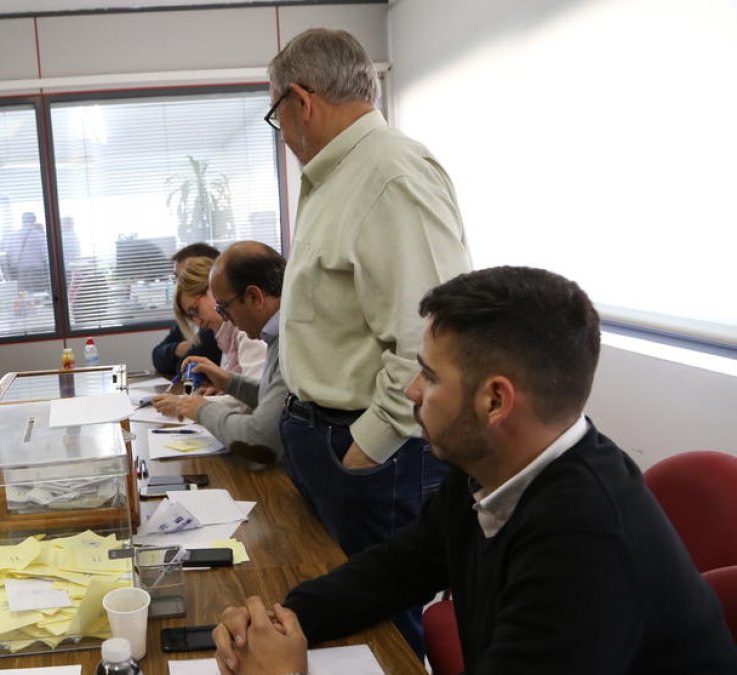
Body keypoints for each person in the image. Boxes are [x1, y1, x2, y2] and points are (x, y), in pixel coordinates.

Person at [212, 266, 737, 675]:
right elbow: (397, 569)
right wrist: (280, 617)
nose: (411, 390)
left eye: (430, 375)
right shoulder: (490, 468)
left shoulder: (586, 544)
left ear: (494, 401)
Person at [270, 29, 471, 611]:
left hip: (367, 450)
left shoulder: (390, 174)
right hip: (326, 437)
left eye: (276, 114)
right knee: (340, 605)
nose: (281, 133)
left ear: (300, 102)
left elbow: (430, 341)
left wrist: (364, 451)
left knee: (383, 625)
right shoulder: (337, 175)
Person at [152, 241, 287, 465]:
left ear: (254, 297)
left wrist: (201, 409)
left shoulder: (287, 339)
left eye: (224, 307)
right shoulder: (276, 334)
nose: (224, 317)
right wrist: (230, 382)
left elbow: (261, 436)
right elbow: (274, 398)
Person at [173, 256, 266, 380]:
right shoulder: (225, 335)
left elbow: (255, 395)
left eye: (195, 310)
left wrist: (206, 400)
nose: (198, 321)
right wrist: (224, 389)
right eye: (191, 317)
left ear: (211, 288)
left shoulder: (246, 331)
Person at [151, 243, 222, 377]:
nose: (180, 284)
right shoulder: (191, 314)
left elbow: (184, 366)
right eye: (177, 278)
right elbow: (157, 356)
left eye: (189, 276)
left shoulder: (217, 319)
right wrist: (178, 348)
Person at [3, 211, 50, 293]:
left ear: (22, 220)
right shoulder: (39, 235)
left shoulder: (14, 235)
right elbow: (45, 254)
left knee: (23, 294)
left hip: (19, 271)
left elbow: (8, 253)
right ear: (34, 220)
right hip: (36, 270)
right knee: (36, 294)